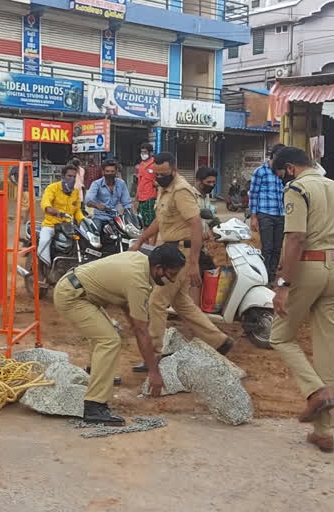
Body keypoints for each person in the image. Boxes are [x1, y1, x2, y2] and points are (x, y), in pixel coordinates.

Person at [268, 147, 334, 454]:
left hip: (307, 267)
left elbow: (296, 238)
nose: (281, 180)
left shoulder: (298, 188)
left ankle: (315, 391)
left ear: (290, 168)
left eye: (280, 174)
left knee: (280, 337)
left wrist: (283, 284)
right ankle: (324, 432)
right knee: (329, 353)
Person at [53, 245, 186, 425]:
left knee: (106, 332)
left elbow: (127, 306)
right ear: (158, 268)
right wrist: (154, 372)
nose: (172, 278)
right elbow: (140, 330)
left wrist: (137, 325)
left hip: (78, 291)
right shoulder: (138, 281)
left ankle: (95, 375)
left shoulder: (140, 261)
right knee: (109, 340)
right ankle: (94, 406)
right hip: (72, 296)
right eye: (171, 273)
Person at [129, 152, 233, 372]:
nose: (160, 177)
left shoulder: (181, 190)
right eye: (156, 174)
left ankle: (154, 353)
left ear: (174, 170)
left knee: (157, 301)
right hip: (169, 252)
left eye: (164, 174)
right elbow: (161, 219)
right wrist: (140, 240)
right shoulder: (164, 189)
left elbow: (195, 223)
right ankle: (219, 341)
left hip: (180, 255)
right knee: (181, 302)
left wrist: (194, 262)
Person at [249, 143, 287, 284]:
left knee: (277, 248)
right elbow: (253, 194)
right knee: (267, 247)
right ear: (274, 156)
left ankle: (271, 278)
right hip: (265, 214)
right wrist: (253, 217)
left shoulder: (283, 172)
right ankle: (263, 278)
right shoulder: (260, 171)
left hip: (281, 214)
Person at [37, 164, 85, 272]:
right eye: (69, 176)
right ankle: (40, 271)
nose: (72, 179)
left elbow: (77, 210)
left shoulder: (75, 192)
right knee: (44, 242)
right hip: (51, 224)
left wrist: (84, 221)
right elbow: (45, 204)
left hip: (69, 226)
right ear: (63, 176)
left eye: (74, 177)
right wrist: (54, 211)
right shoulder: (52, 188)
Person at [191, 166, 220, 306]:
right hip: (188, 243)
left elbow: (210, 216)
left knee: (209, 270)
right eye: (208, 182)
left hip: (202, 244)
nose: (212, 185)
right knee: (196, 278)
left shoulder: (206, 197)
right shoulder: (190, 196)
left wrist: (219, 227)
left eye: (213, 182)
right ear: (198, 181)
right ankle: (195, 311)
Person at [85, 159, 132, 231]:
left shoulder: (121, 183)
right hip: (99, 217)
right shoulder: (96, 184)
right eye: (107, 171)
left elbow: (127, 203)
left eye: (112, 171)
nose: (110, 174)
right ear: (103, 172)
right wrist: (96, 205)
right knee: (94, 234)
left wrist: (128, 216)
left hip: (115, 217)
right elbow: (88, 200)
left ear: (116, 171)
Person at [135, 143, 157, 231]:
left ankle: (152, 244)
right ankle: (146, 244)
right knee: (142, 222)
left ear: (151, 153)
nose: (143, 154)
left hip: (151, 197)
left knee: (152, 223)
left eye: (145, 152)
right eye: (142, 152)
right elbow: (139, 182)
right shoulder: (141, 165)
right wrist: (136, 197)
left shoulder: (155, 164)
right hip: (141, 198)